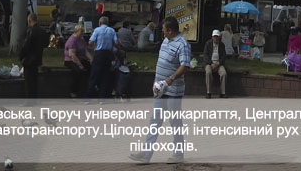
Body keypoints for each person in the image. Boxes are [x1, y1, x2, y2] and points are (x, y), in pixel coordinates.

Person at [129, 16, 191, 164]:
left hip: (173, 90)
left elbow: (185, 65)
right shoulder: (165, 40)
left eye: (163, 29)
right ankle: (146, 154)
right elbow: (161, 62)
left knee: (175, 121)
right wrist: (157, 81)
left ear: (170, 30)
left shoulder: (182, 44)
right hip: (160, 89)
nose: (162, 32)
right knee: (155, 120)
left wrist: (171, 78)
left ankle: (178, 154)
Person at [86, 16, 119, 102]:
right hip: (108, 54)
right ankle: (102, 98)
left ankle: (88, 97)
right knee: (105, 77)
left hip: (99, 54)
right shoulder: (112, 30)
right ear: (107, 23)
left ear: (99, 23)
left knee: (94, 76)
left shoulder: (97, 30)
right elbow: (116, 42)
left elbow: (90, 42)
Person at [19, 12, 48, 102]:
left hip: (29, 60)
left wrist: (21, 57)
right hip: (38, 58)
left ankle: (29, 101)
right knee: (34, 81)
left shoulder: (31, 31)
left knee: (28, 82)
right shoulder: (42, 31)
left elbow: (26, 46)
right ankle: (34, 100)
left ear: (29, 20)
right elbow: (46, 44)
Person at [64, 24, 93, 99]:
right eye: (81, 31)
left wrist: (91, 59)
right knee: (77, 71)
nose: (82, 33)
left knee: (91, 68)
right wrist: (80, 65)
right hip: (70, 60)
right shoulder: (72, 40)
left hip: (80, 58)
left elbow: (85, 51)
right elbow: (72, 55)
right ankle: (73, 91)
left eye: (83, 31)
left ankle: (90, 89)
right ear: (76, 31)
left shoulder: (81, 39)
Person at [203, 29, 227, 98]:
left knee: (224, 73)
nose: (215, 38)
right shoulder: (208, 43)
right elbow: (205, 55)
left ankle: (223, 93)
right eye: (214, 36)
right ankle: (208, 92)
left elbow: (224, 56)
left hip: (219, 63)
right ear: (212, 37)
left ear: (219, 37)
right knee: (208, 72)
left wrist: (218, 63)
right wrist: (211, 63)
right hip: (209, 63)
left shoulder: (222, 45)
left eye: (217, 37)